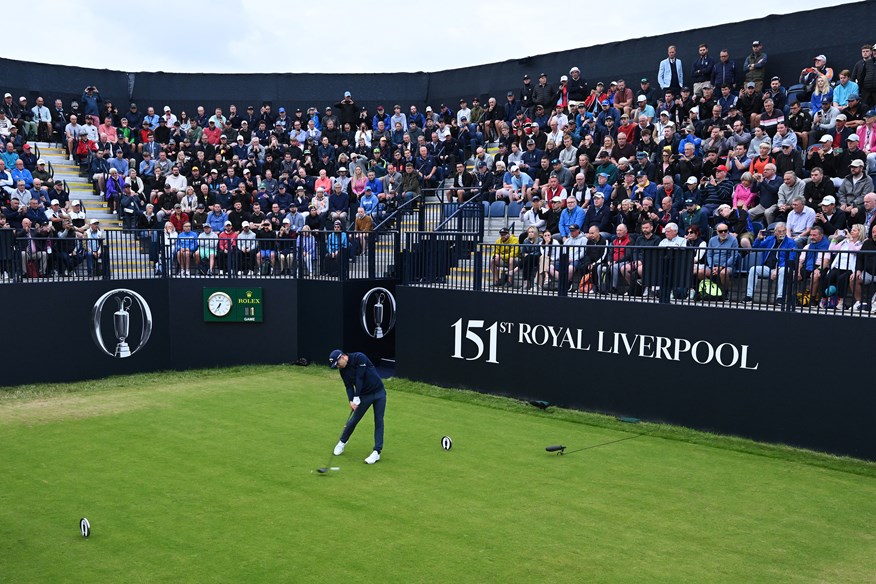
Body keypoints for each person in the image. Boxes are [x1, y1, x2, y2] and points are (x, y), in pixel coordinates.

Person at [329, 349, 387, 465]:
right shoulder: (343, 371)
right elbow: (348, 386)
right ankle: (342, 442)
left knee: (378, 420)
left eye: (338, 363)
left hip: (379, 393)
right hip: (365, 396)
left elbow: (359, 378)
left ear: (343, 357)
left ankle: (376, 452)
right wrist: (351, 400)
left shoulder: (359, 357)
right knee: (354, 420)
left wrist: (357, 396)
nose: (338, 367)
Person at [744, 222, 797, 304]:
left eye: (783, 231)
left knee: (783, 270)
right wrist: (758, 239)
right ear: (775, 232)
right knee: (753, 269)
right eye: (779, 231)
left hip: (782, 268)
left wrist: (778, 269)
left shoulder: (790, 242)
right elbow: (755, 248)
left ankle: (780, 298)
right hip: (768, 268)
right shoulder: (769, 239)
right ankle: (749, 296)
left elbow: (791, 259)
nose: (781, 233)